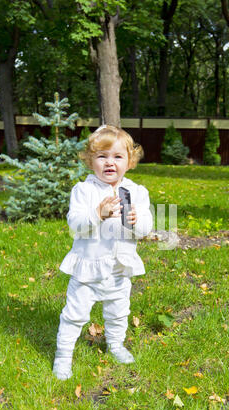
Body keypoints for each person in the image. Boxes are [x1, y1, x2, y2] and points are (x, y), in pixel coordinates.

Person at [53, 124, 153, 380]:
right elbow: (75, 224)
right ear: (90, 160)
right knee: (75, 314)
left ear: (129, 161)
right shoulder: (84, 191)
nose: (110, 162)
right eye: (102, 156)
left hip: (120, 268)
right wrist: (97, 214)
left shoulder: (136, 193)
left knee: (119, 311)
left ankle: (116, 344)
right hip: (88, 266)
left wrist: (136, 220)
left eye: (118, 156)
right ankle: (63, 356)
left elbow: (145, 228)